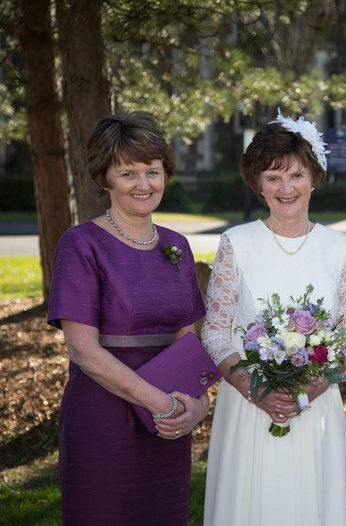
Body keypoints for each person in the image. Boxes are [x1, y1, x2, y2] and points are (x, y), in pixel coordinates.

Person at [47, 112, 209, 525]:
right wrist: (160, 403)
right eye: (128, 172)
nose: (143, 184)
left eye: (152, 171)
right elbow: (83, 351)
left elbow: (187, 342)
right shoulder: (81, 244)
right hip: (104, 416)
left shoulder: (177, 246)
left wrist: (197, 406)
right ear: (105, 178)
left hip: (168, 425)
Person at [201, 113, 346, 526]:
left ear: (315, 177)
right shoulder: (236, 243)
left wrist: (305, 391)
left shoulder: (340, 248)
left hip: (315, 407)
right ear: (258, 183)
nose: (285, 188)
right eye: (273, 177)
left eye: (296, 175)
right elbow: (216, 330)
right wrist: (255, 390)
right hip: (247, 408)